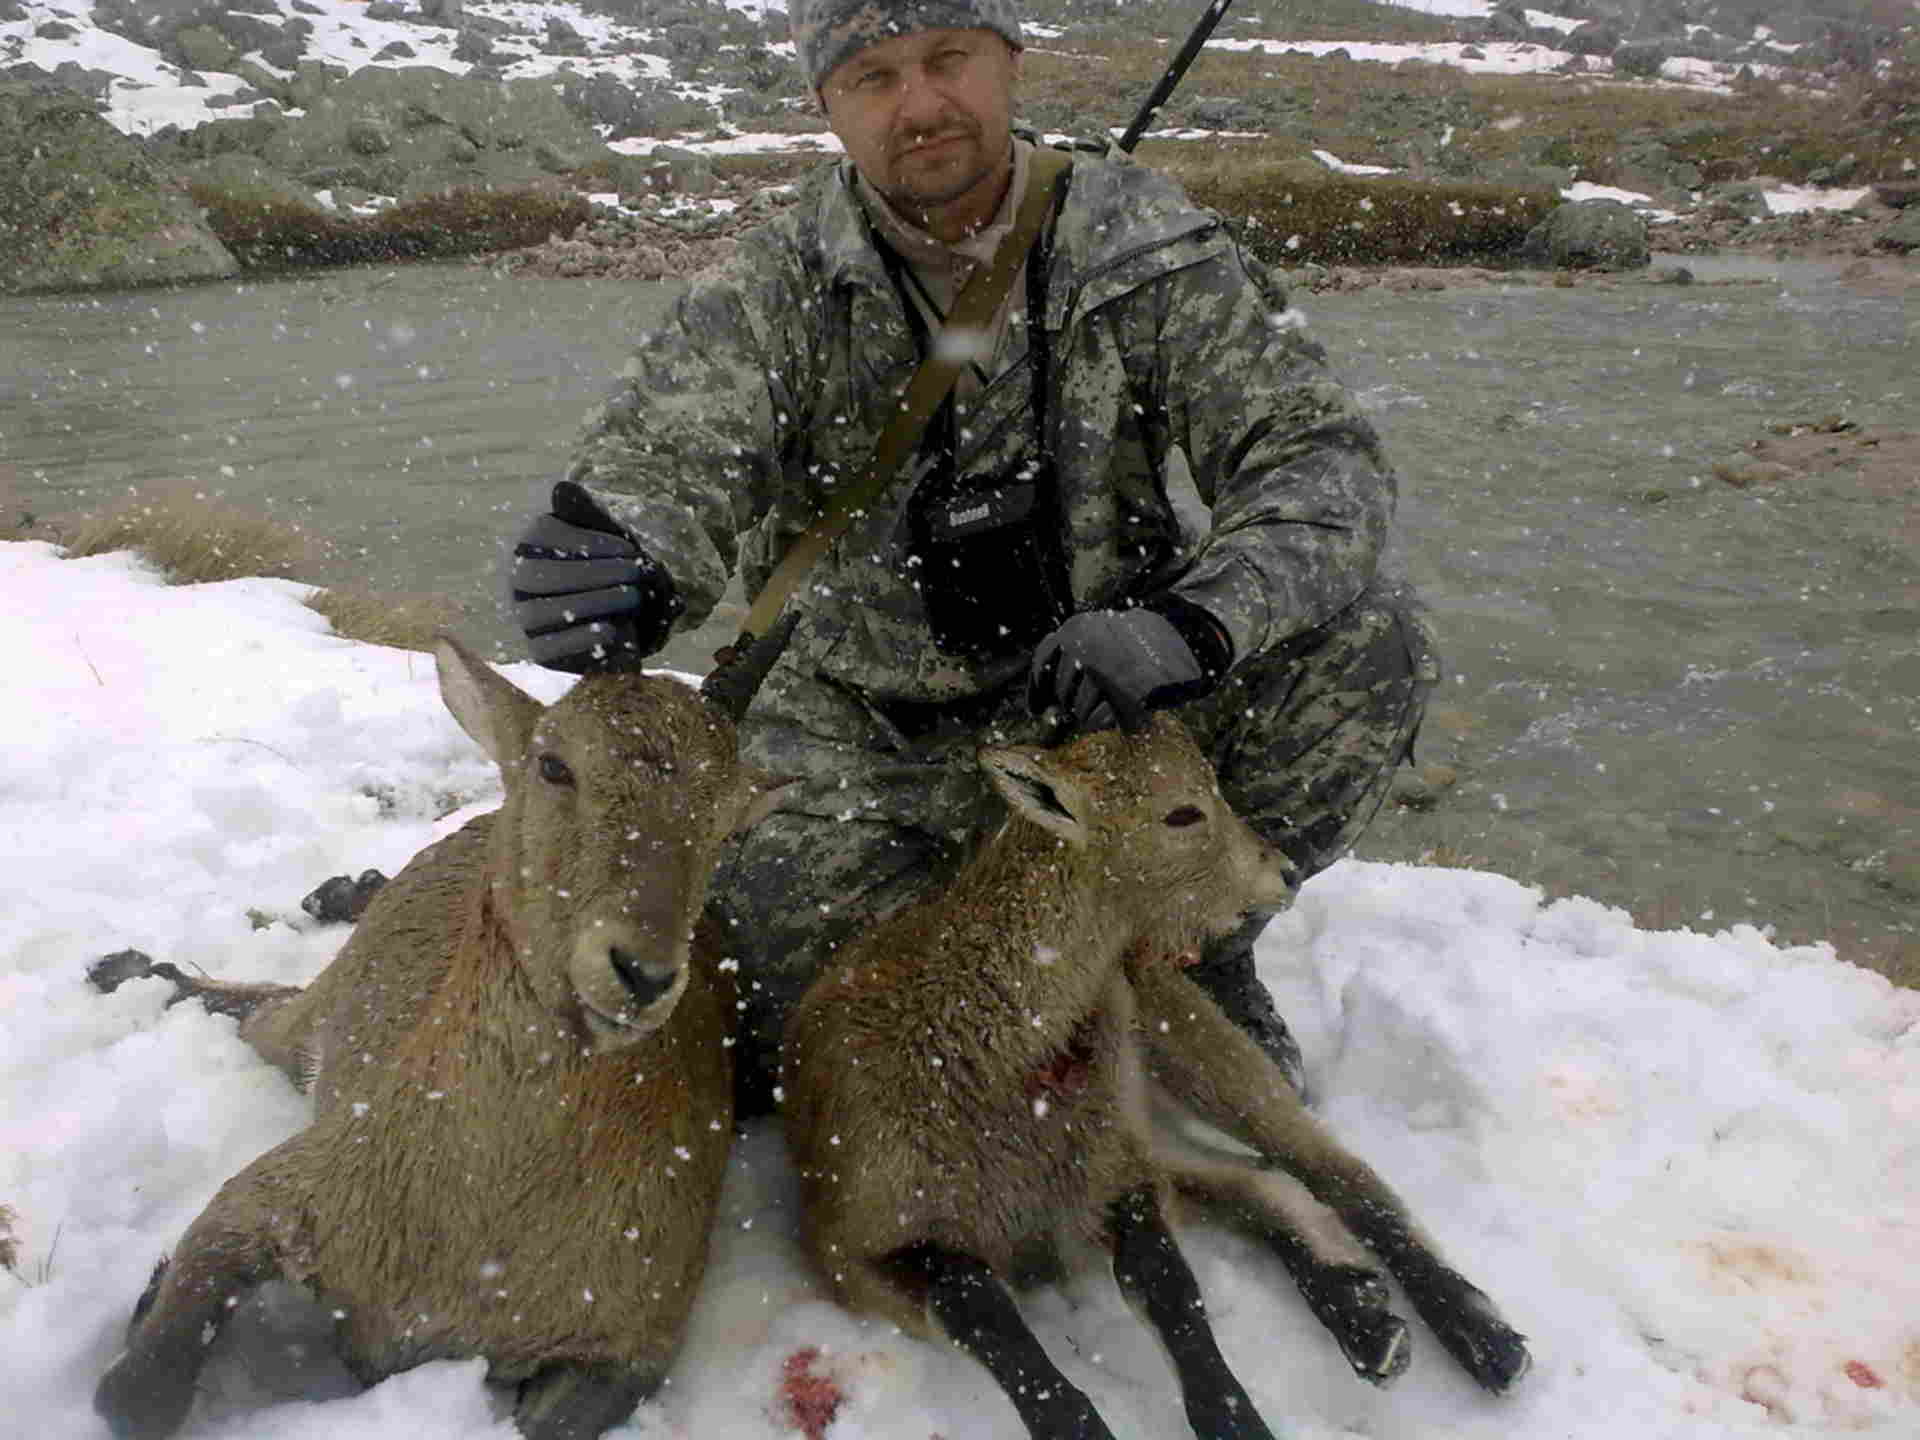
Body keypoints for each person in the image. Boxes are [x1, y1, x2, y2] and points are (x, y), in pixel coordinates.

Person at [509, 0, 1438, 1113]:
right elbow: (671, 456)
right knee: (780, 1031)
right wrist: (626, 556)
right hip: (864, 720)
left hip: (1112, 705)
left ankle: (1198, 940)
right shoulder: (778, 282)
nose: (921, 105)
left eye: (948, 61)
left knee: (1370, 637)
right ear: (829, 110)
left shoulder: (1147, 244)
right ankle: (984, 914)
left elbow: (1319, 462)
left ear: (1009, 64)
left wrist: (1191, 623)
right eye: (874, 79)